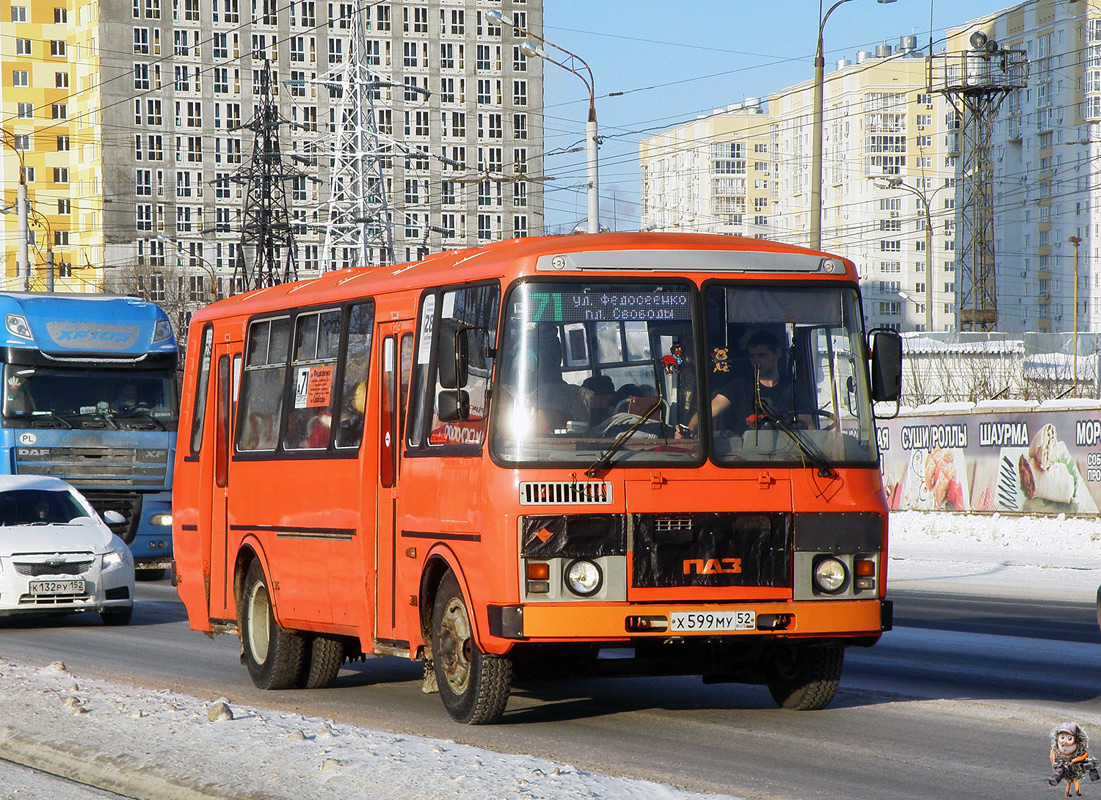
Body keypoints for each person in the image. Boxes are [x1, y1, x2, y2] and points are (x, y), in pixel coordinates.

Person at [680, 329, 810, 437]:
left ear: (777, 353)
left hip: (784, 456)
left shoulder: (793, 387)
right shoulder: (739, 386)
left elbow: (808, 425)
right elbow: (706, 413)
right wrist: (690, 428)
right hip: (743, 458)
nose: (756, 361)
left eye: (761, 355)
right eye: (752, 356)